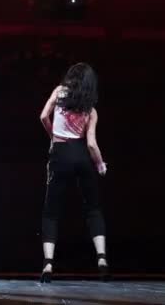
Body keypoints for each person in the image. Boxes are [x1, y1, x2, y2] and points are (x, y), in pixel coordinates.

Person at [39, 62, 109, 283]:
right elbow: (91, 144)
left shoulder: (59, 93)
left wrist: (53, 137)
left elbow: (42, 117)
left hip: (60, 154)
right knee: (93, 208)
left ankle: (48, 264)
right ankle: (101, 258)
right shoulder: (90, 109)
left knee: (51, 212)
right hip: (81, 155)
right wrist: (100, 165)